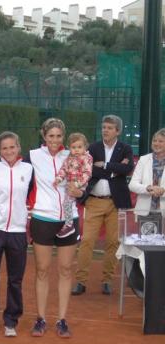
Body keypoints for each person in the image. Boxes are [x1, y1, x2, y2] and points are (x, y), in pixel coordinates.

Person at [71, 115, 134, 296]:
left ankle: (107, 280)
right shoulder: (92, 148)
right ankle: (81, 281)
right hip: (94, 201)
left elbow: (126, 169)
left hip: (116, 203)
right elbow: (89, 169)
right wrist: (114, 170)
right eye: (104, 126)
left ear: (118, 131)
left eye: (110, 127)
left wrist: (106, 165)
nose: (105, 130)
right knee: (87, 241)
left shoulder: (126, 148)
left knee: (113, 242)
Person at [27, 118, 79, 338]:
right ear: (43, 136)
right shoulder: (33, 156)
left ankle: (62, 319)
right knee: (42, 270)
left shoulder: (73, 156)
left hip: (69, 218)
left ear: (63, 137)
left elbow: (86, 181)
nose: (55, 140)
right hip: (42, 218)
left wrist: (81, 192)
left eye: (58, 136)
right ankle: (41, 318)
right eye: (51, 136)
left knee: (66, 270)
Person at [0, 132, 34, 338]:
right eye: (4, 148)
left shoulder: (28, 170)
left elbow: (29, 192)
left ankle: (11, 320)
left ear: (18, 147)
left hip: (17, 230)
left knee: (15, 279)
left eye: (12, 147)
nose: (9, 151)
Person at [53, 133, 93, 238]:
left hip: (79, 184)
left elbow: (87, 174)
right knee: (67, 203)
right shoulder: (69, 158)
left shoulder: (86, 158)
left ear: (85, 147)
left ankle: (69, 225)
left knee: (67, 203)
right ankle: (69, 224)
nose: (76, 150)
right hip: (70, 184)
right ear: (69, 147)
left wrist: (77, 184)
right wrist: (58, 178)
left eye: (79, 147)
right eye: (73, 147)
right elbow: (63, 169)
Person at [129, 128, 165, 213]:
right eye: (154, 140)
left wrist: (162, 190)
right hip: (145, 211)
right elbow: (132, 185)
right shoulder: (143, 160)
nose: (156, 143)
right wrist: (148, 188)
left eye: (160, 141)